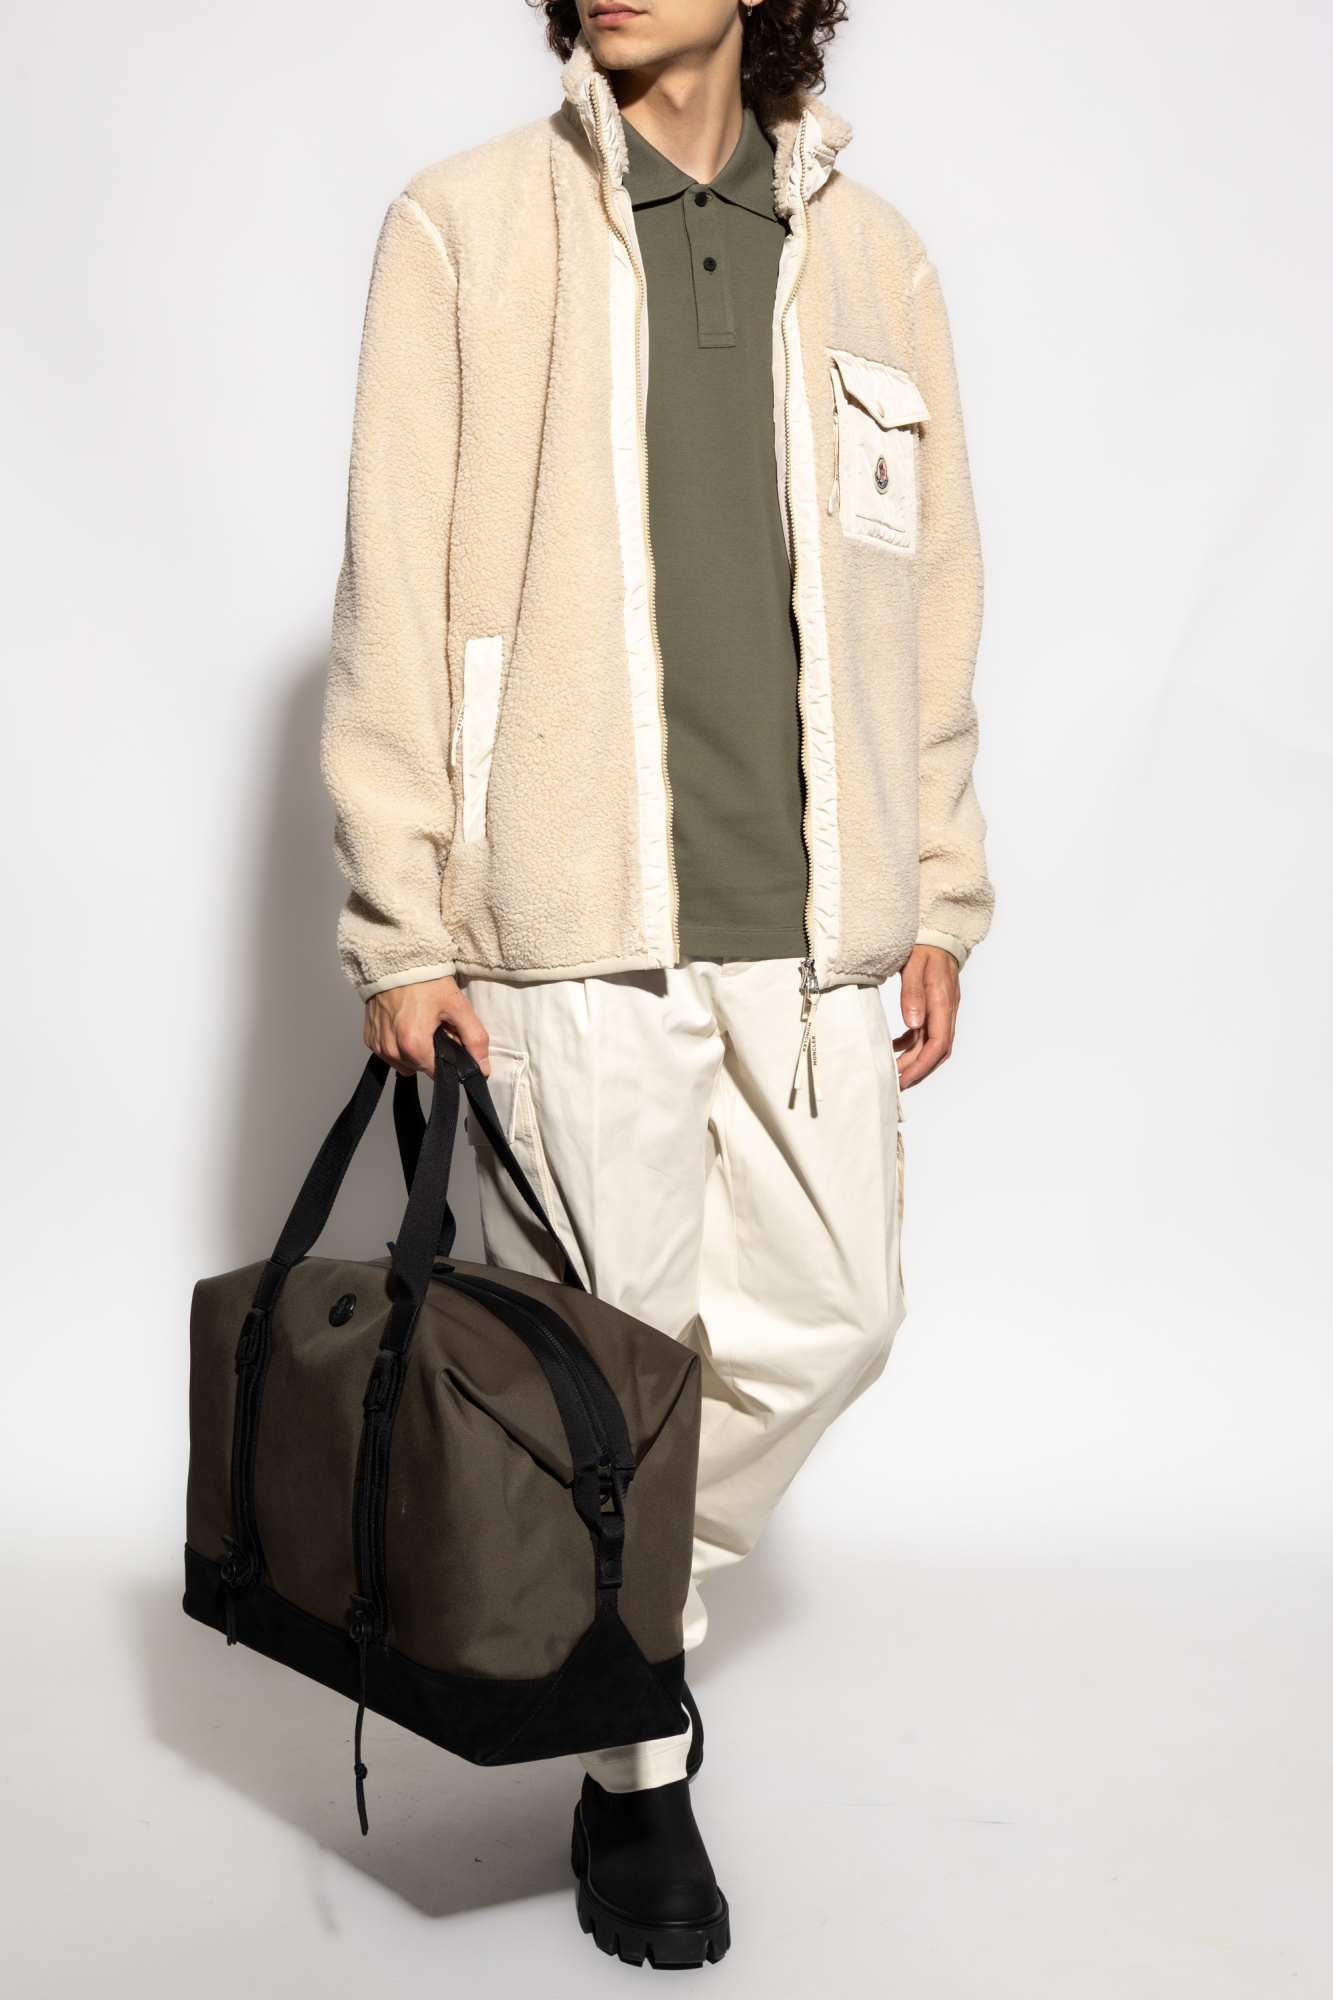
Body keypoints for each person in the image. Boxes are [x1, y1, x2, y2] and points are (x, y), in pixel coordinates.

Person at [322, 0, 991, 1967]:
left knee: (838, 1312)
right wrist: (401, 929)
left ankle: (593, 1622)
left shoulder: (874, 257)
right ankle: (635, 1774)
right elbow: (388, 584)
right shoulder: (461, 226)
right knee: (602, 1361)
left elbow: (930, 592)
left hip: (814, 916)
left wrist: (937, 885)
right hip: (567, 918)